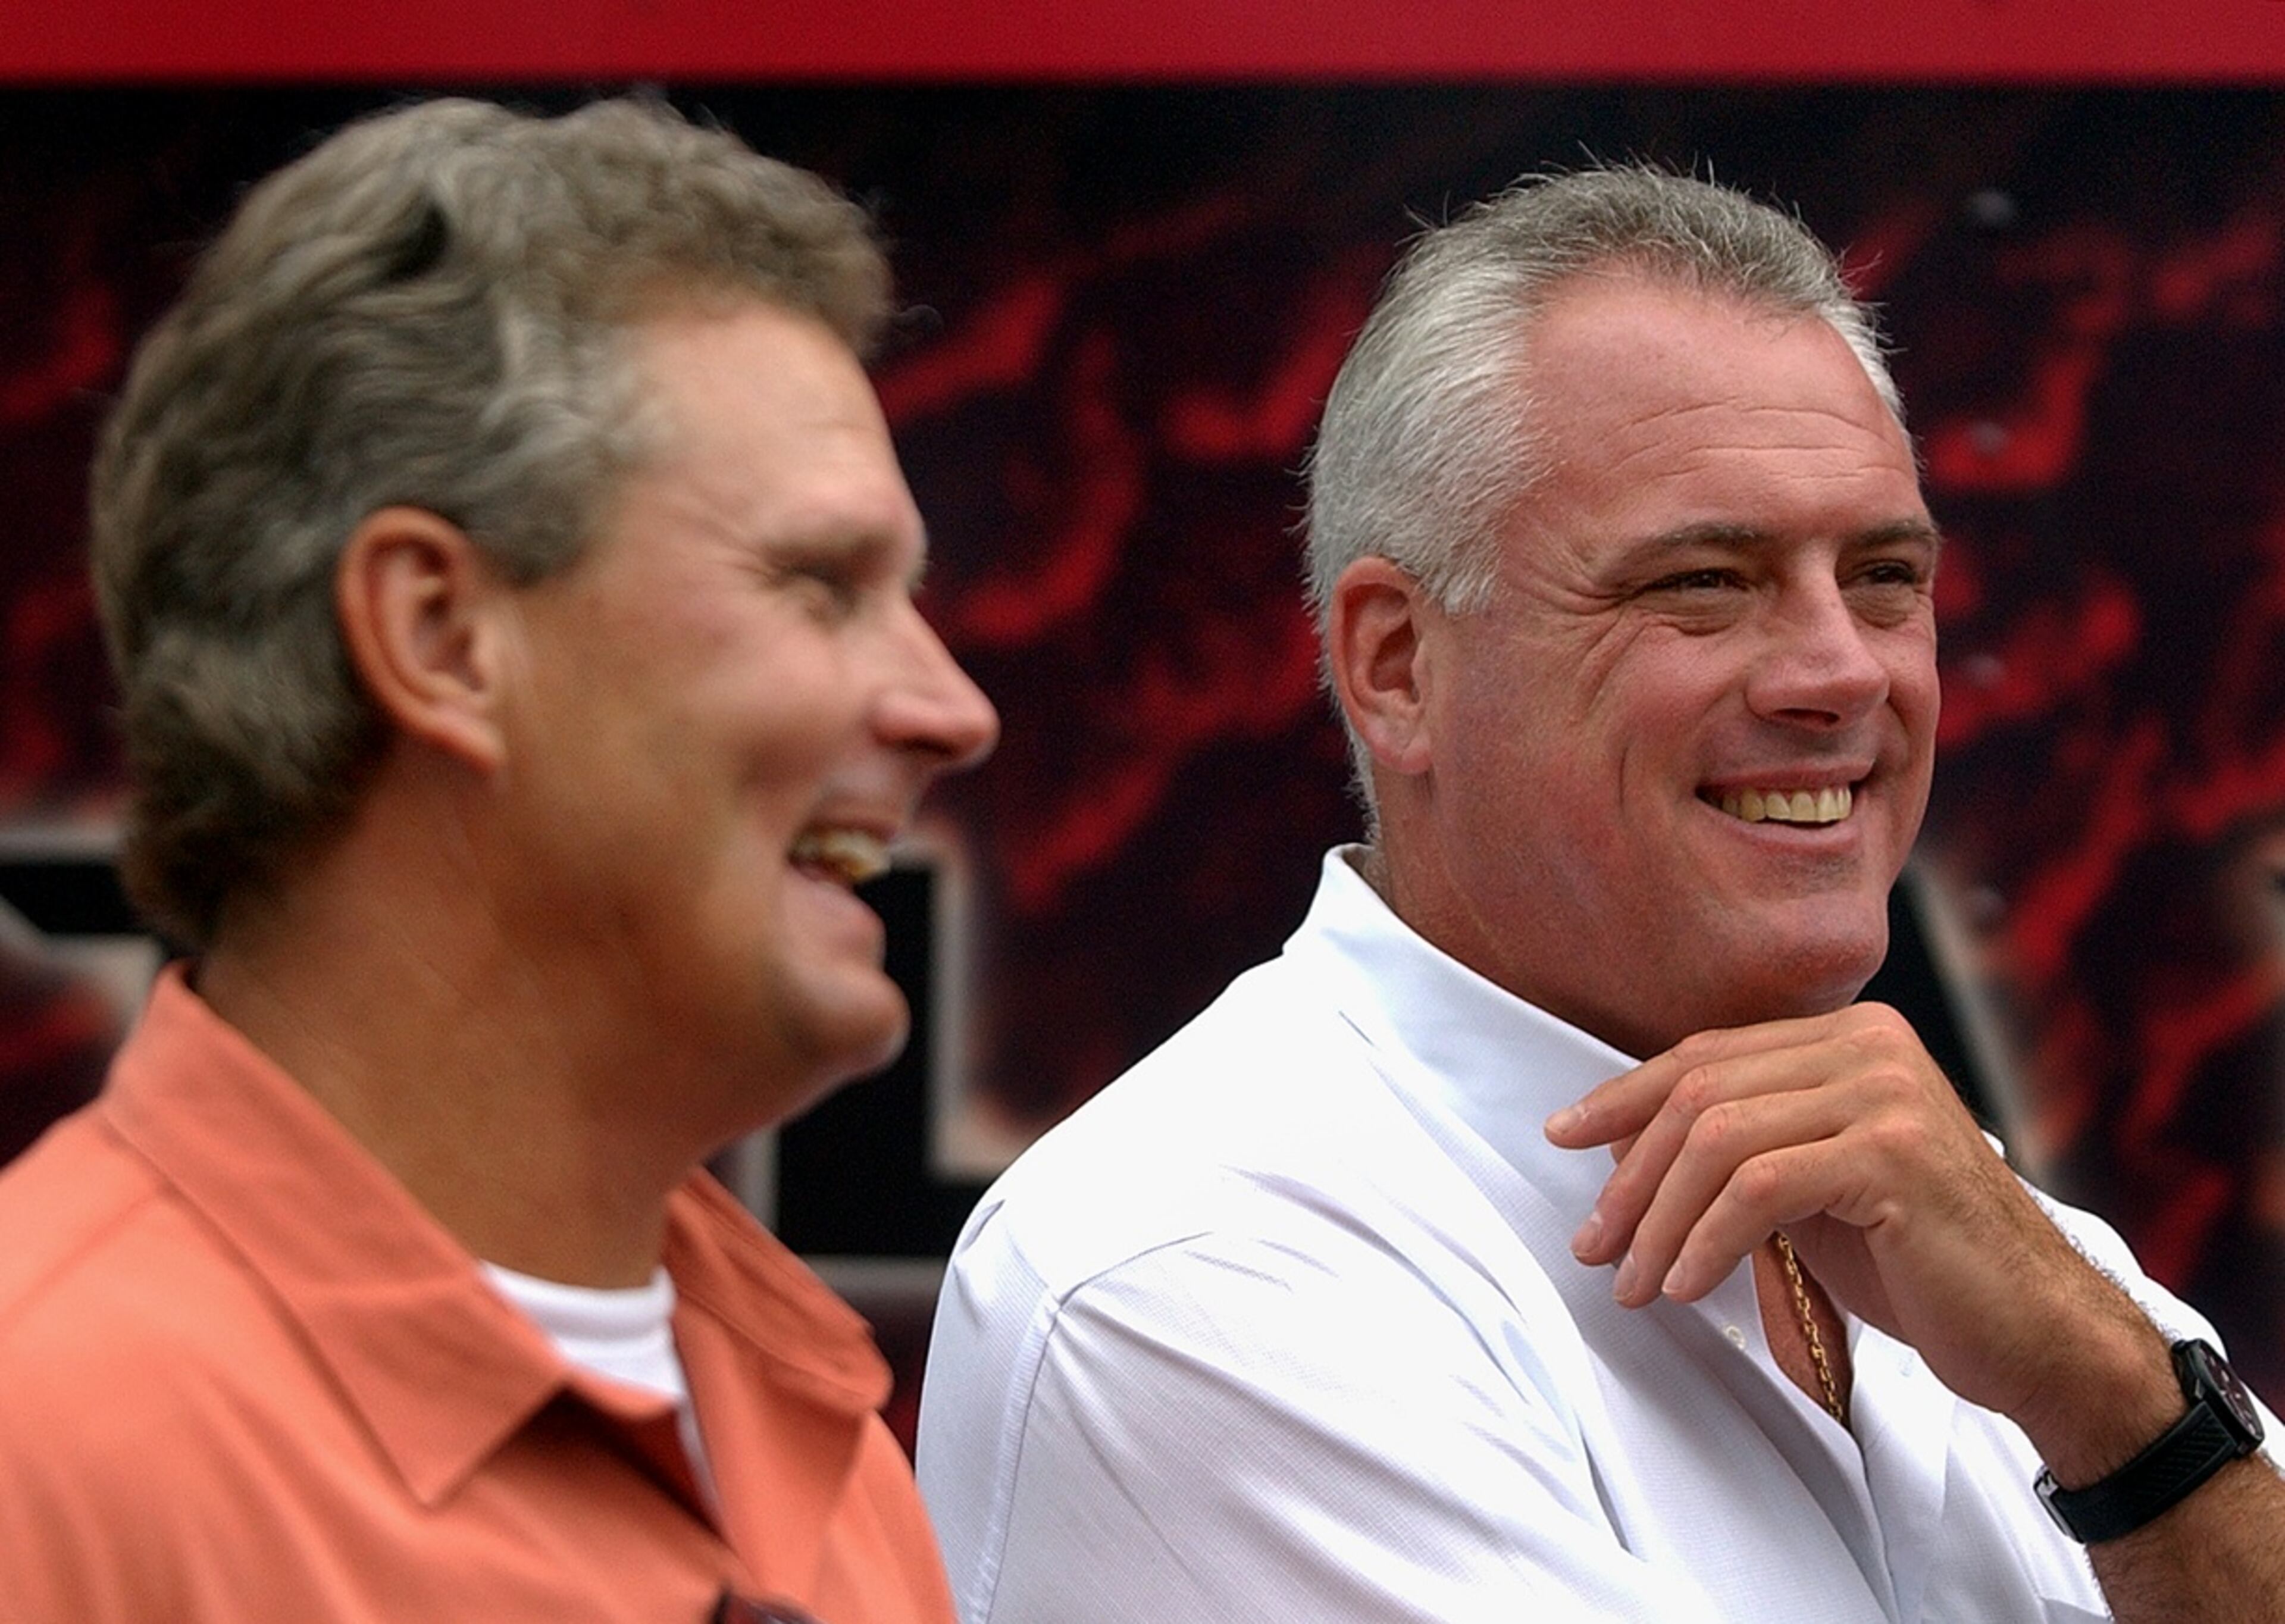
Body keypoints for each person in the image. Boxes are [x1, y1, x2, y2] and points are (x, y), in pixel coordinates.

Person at [915, 167, 2284, 1622]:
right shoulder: (1193, 1270)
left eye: (1885, 577)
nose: (1842, 672)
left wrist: (2128, 1411)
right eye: (1703, 581)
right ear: (1394, 664)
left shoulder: (2009, 1247)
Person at [0, 97, 998, 1622]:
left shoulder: (824, 1455)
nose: (954, 711)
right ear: (439, 636)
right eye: (819, 583)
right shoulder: (46, 1443)